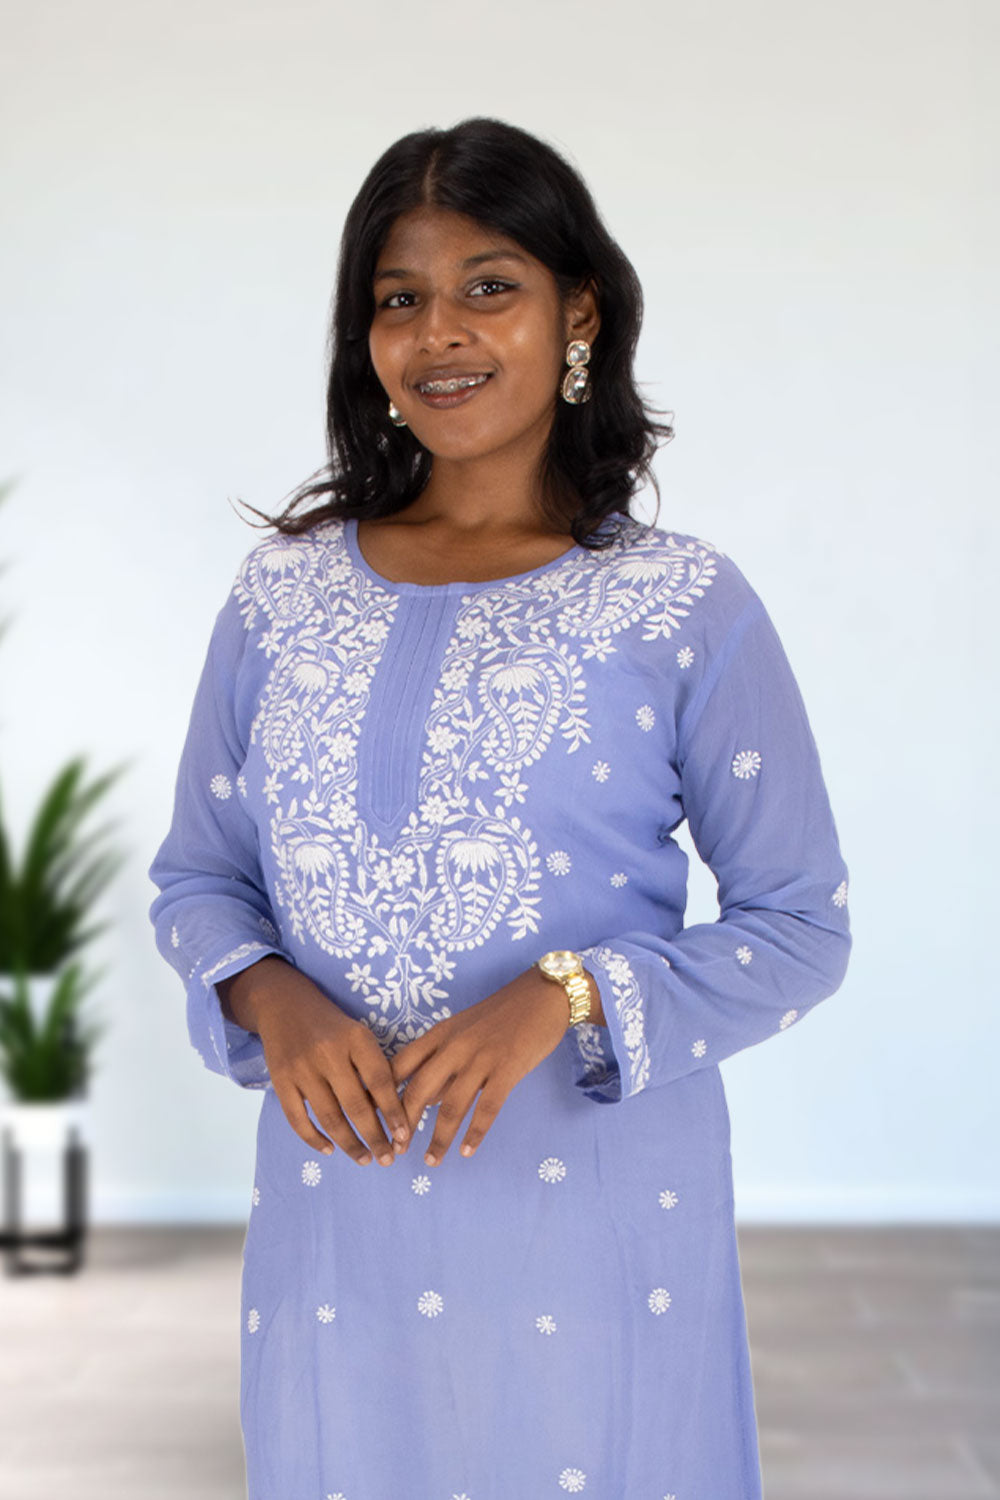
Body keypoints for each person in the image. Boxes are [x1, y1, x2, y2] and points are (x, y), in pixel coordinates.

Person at [147, 115, 852, 1499]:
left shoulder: (678, 603)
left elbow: (800, 928)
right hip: (338, 1217)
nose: (440, 333)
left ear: (577, 313)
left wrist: (563, 996)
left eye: (489, 285)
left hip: (594, 1221)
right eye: (398, 298)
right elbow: (198, 878)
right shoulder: (284, 594)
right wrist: (274, 1003)